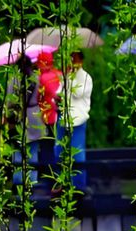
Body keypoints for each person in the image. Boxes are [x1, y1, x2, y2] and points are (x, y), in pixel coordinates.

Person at [55, 51, 93, 192]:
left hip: (78, 119)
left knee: (77, 154)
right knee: (59, 151)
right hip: (63, 118)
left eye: (75, 58)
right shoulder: (66, 76)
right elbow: (59, 92)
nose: (72, 61)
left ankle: (78, 186)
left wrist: (68, 78)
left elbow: (78, 93)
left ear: (81, 60)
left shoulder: (86, 78)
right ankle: (62, 183)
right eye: (71, 58)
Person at [5, 55, 45, 186]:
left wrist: (8, 117)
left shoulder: (14, 80)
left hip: (19, 117)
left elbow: (10, 102)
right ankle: (32, 183)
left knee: (18, 151)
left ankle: (18, 182)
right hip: (34, 115)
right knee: (33, 151)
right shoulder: (36, 78)